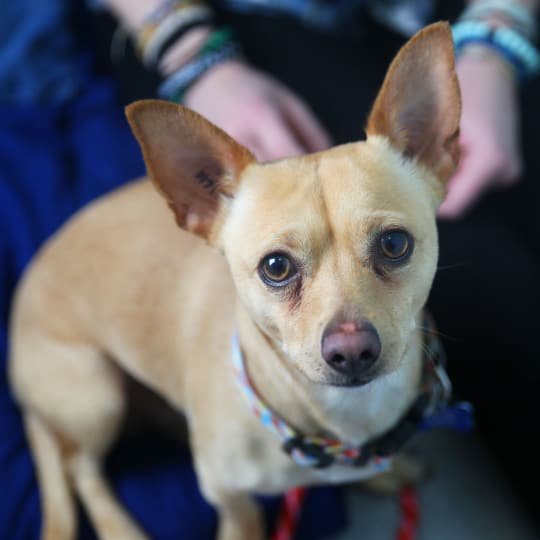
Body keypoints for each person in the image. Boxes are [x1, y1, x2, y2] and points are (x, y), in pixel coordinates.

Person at [1, 0, 539, 539]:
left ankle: (359, 447)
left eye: (392, 246)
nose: (350, 334)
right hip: (70, 343)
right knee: (93, 413)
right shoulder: (243, 449)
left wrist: (499, 31)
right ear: (200, 203)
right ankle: (84, 477)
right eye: (279, 267)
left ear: (432, 156)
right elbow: (222, 479)